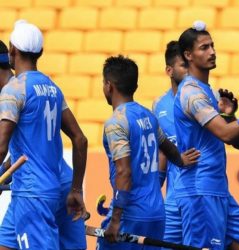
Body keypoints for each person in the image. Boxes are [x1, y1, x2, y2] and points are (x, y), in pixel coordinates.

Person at [173, 20, 239, 250]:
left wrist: (230, 115)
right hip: (200, 191)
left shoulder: (209, 91)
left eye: (212, 46)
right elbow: (227, 135)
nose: (212, 52)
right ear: (188, 55)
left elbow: (238, 142)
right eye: (204, 48)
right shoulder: (191, 94)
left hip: (219, 189)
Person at [0, 20, 87, 250]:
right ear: (40, 52)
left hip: (32, 193)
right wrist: (77, 188)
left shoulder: (14, 89)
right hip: (58, 184)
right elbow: (80, 139)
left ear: (12, 50)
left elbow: (1, 146)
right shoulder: (52, 88)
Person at [97, 55, 198, 250]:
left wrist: (115, 219)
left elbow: (124, 172)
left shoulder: (116, 122)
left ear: (109, 86)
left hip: (130, 215)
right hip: (156, 215)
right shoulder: (148, 116)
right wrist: (180, 160)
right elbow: (166, 145)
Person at [152, 40, 200, 246]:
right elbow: (162, 152)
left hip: (198, 194)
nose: (189, 71)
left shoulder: (202, 98)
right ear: (169, 71)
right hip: (172, 199)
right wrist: (153, 193)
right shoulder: (158, 105)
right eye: (183, 66)